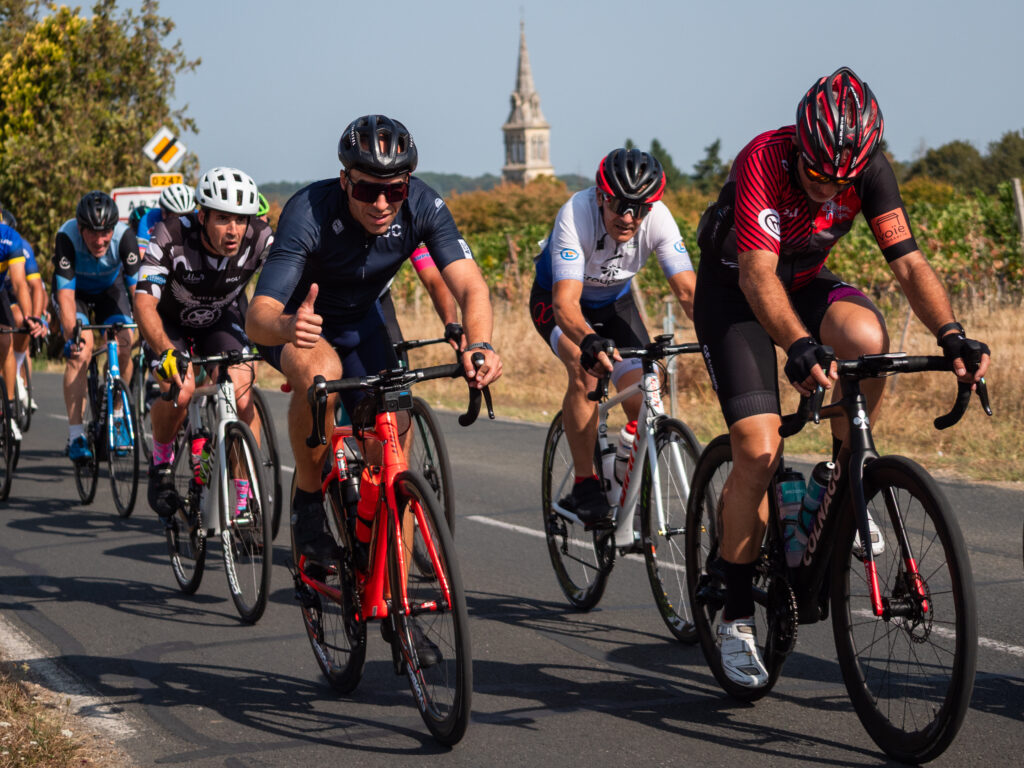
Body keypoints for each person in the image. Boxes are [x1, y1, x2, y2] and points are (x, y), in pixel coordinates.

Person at [692, 66, 990, 687]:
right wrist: (798, 345)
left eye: (842, 180)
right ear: (801, 147)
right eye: (818, 175)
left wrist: (952, 335)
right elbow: (756, 276)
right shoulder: (764, 161)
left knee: (866, 339)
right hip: (737, 293)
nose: (830, 190)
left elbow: (908, 265)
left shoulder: (870, 170)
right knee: (759, 447)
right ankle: (738, 613)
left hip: (801, 283)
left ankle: (840, 476)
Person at [245, 113, 502, 566]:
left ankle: (395, 602)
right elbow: (258, 316)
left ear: (408, 185)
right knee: (321, 373)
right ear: (345, 181)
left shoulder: (423, 205)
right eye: (367, 189)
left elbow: (470, 286)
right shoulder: (309, 212)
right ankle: (308, 499)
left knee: (390, 453)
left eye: (395, 190)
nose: (382, 203)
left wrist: (480, 343)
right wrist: (289, 327)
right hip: (302, 323)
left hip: (365, 320)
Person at [529, 148, 695, 528]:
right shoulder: (577, 212)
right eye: (620, 205)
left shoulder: (659, 219)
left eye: (640, 208)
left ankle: (621, 466)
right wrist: (588, 341)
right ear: (602, 196)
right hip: (559, 303)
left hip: (616, 303)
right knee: (585, 371)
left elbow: (687, 293)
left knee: (647, 389)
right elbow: (566, 303)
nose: (628, 218)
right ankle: (585, 484)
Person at [133, 167, 272, 518]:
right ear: (202, 215)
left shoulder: (260, 236)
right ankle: (161, 462)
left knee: (243, 389)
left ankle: (244, 498)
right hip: (169, 324)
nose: (234, 230)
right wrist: (166, 351)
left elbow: (291, 282)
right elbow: (143, 302)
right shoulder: (171, 234)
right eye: (223, 219)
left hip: (218, 318)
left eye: (241, 219)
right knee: (181, 389)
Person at [54, 190, 141, 461]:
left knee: (125, 343)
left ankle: (115, 414)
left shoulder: (125, 237)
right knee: (81, 351)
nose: (100, 240)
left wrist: (147, 332)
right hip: (75, 292)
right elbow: (66, 296)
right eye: (93, 232)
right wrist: (72, 336)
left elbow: (138, 293)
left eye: (106, 232)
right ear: (81, 228)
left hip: (109, 292)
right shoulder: (67, 236)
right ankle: (76, 435)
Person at [0, 214, 46, 440]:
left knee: (7, 335)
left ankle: (8, 410)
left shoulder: (11, 239)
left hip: (4, 294)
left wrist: (32, 318)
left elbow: (22, 284)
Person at [136, 183, 196, 257]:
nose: (181, 221)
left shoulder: (198, 217)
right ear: (164, 213)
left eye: (187, 215)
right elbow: (142, 255)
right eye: (176, 217)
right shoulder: (149, 219)